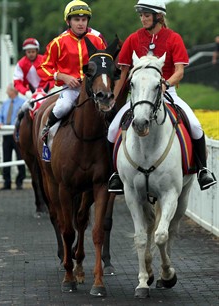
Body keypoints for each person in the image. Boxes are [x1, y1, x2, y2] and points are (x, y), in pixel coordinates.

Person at [108, 0, 217, 193]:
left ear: (158, 16)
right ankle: (115, 174)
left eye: (146, 15)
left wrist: (166, 84)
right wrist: (114, 99)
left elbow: (179, 72)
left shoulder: (173, 38)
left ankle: (202, 170)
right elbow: (124, 72)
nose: (142, 19)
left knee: (195, 126)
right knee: (112, 129)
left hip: (167, 92)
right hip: (139, 95)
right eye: (141, 15)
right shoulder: (133, 39)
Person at [37, 0, 107, 140]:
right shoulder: (58, 42)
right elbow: (42, 67)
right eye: (76, 20)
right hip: (71, 89)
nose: (81, 23)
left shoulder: (97, 40)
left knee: (111, 110)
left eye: (84, 19)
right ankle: (46, 131)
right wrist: (62, 76)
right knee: (62, 107)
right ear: (68, 21)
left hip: (94, 89)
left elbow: (106, 64)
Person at [0, 84, 26, 190]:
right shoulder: (5, 103)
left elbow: (25, 117)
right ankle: (6, 182)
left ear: (13, 91)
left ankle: (19, 181)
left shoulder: (23, 102)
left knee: (20, 157)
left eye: (8, 90)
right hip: (6, 134)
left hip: (17, 134)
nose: (6, 92)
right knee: (6, 158)